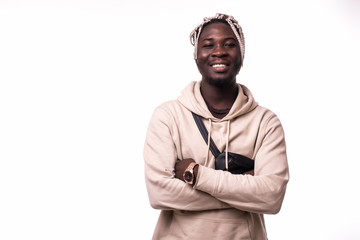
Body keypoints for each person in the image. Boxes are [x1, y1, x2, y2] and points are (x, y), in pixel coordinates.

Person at [144, 13, 289, 240]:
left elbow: (271, 197)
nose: (219, 51)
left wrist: (196, 175)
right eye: (208, 45)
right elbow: (159, 194)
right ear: (196, 56)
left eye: (229, 44)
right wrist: (244, 189)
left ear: (242, 55)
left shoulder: (265, 122)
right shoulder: (168, 116)